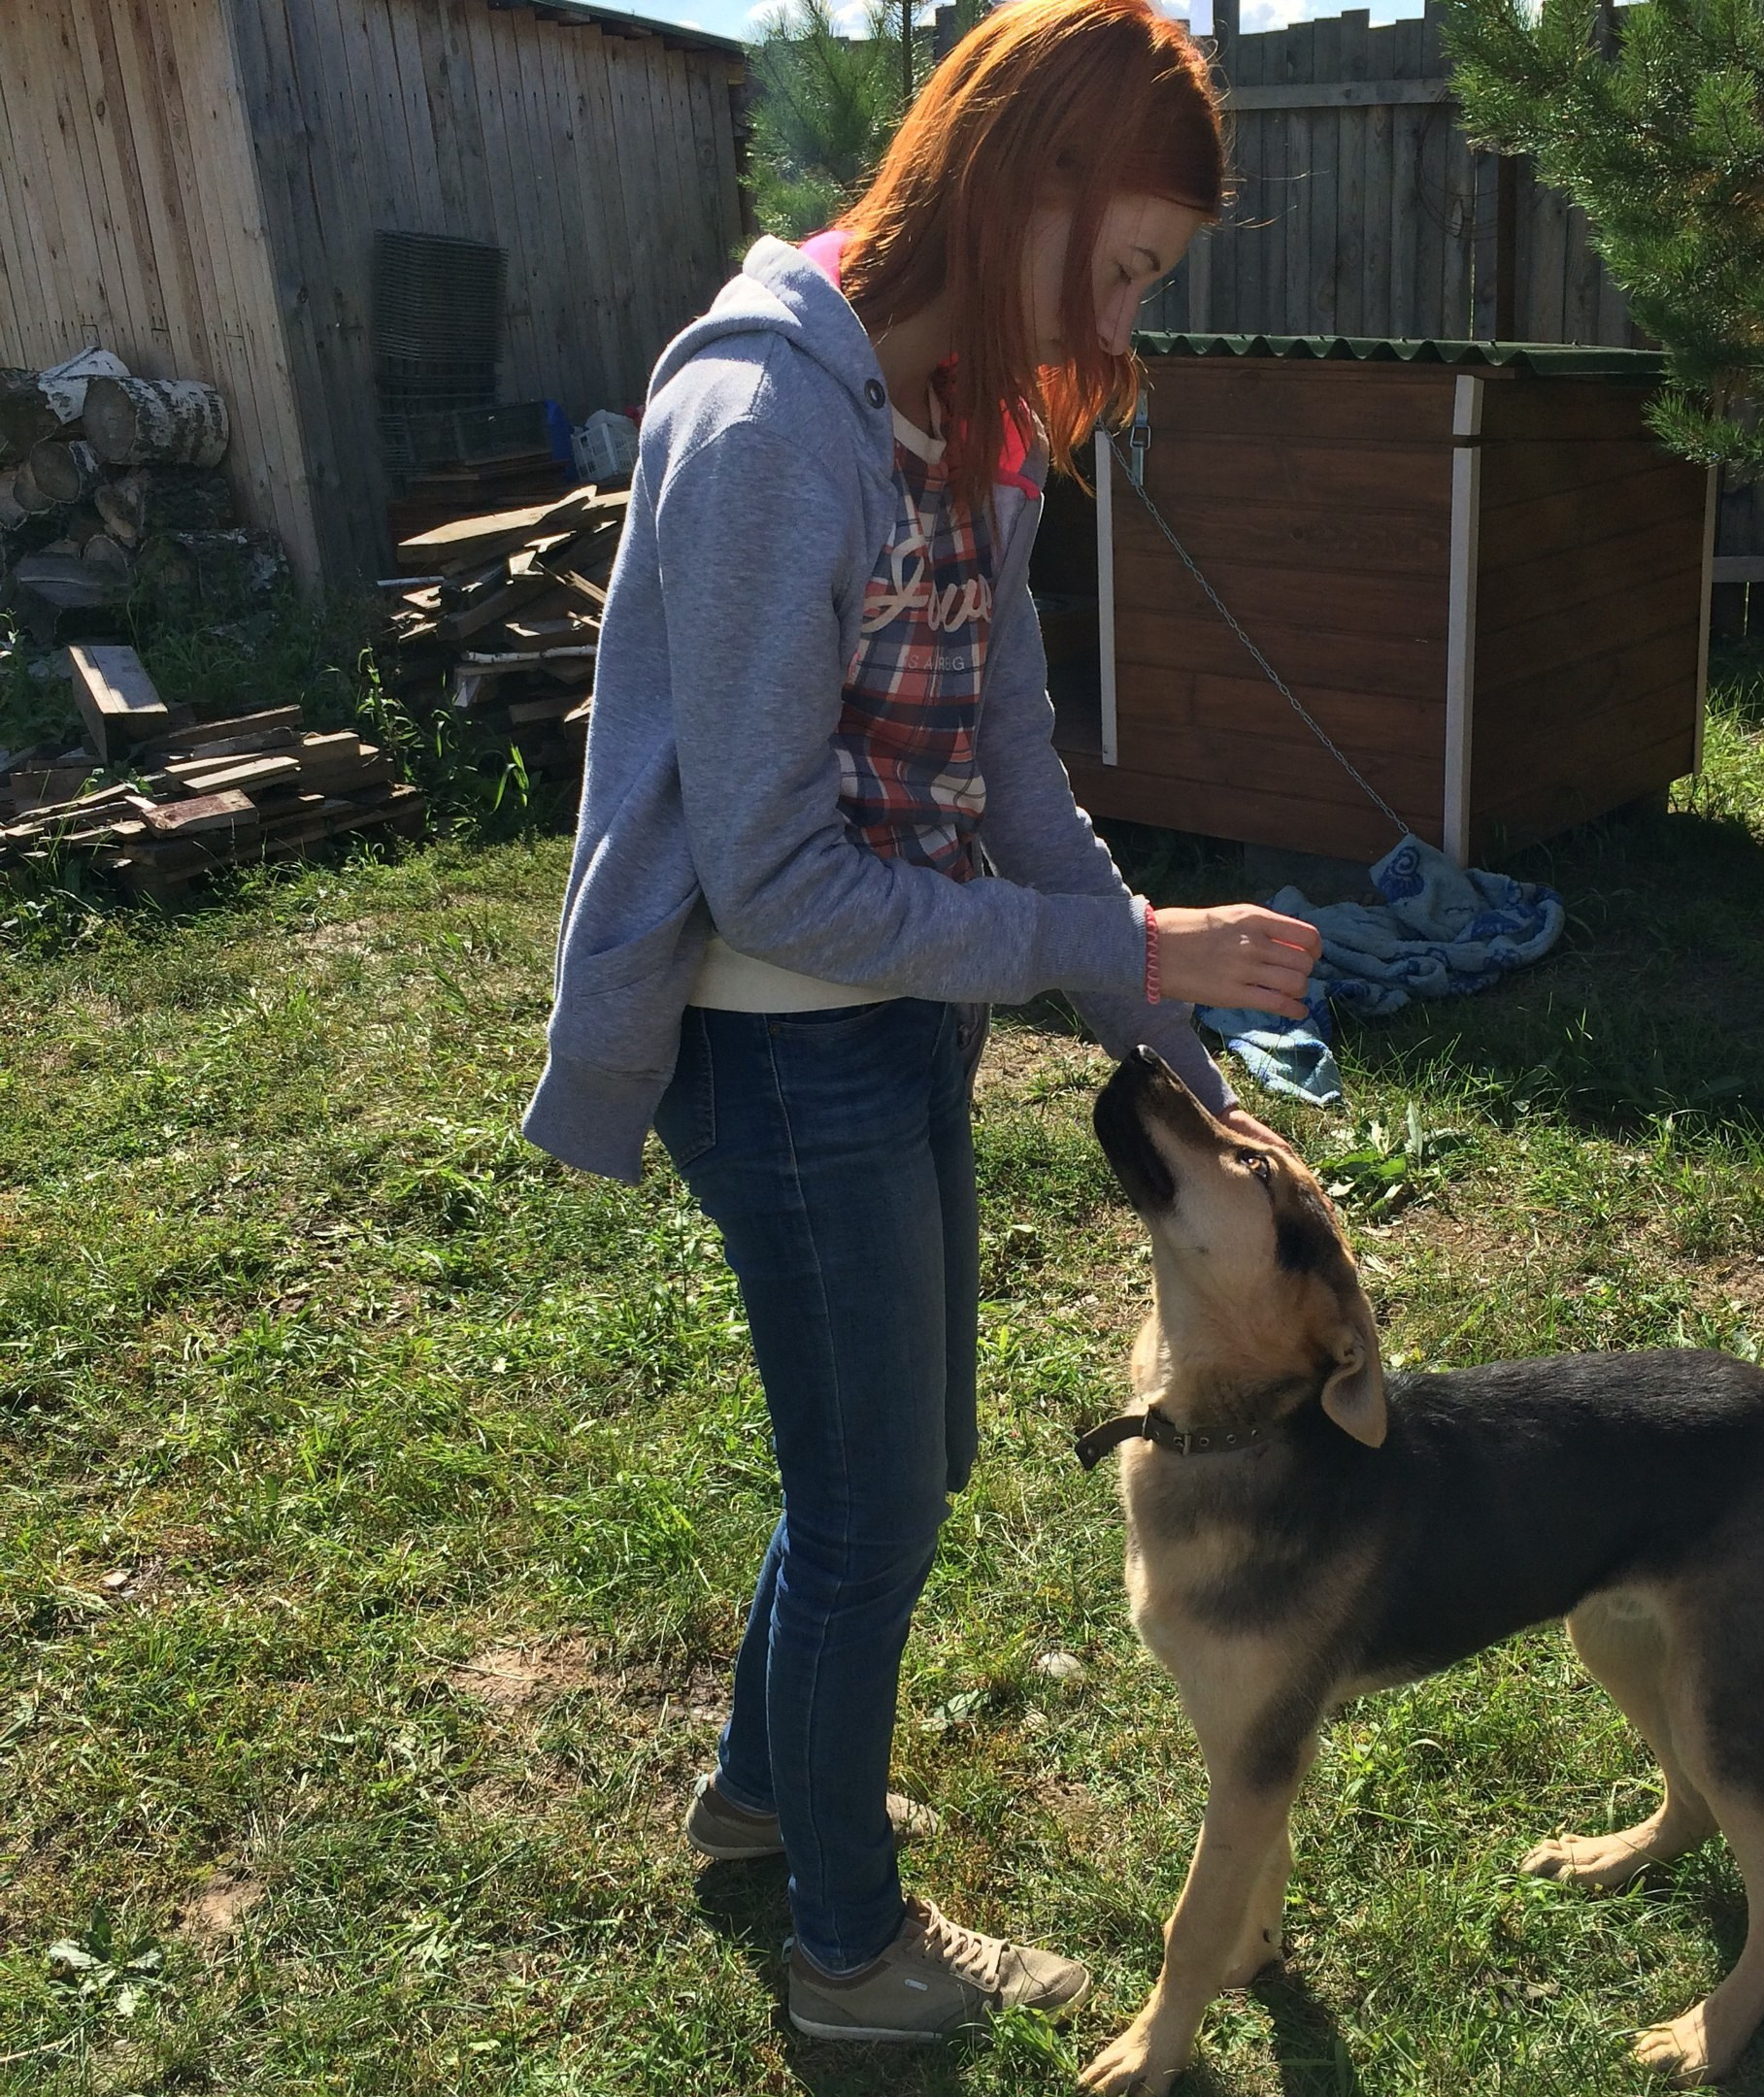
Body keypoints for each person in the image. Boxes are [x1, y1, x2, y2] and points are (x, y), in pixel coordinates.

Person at [521, 0, 1319, 2044]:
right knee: (874, 1505)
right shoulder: (769, 429)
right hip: (783, 1045)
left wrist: (1147, 984)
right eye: (1127, 261)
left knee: (889, 1468)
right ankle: (846, 1953)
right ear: (1023, 182)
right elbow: (777, 877)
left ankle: (754, 1797)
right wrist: (1120, 950)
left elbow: (1012, 762)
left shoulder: (965, 416)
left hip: (897, 1029)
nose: (1127, 311)